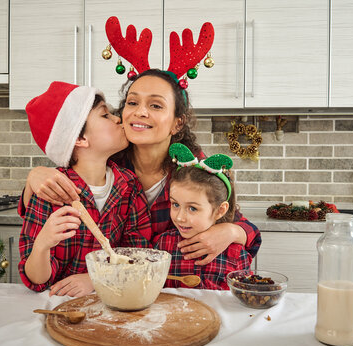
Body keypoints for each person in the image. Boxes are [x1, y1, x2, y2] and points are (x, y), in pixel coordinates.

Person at [19, 69, 261, 266]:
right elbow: (37, 218)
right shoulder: (111, 166)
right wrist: (34, 176)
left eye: (156, 106)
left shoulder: (192, 167)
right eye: (132, 102)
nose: (140, 112)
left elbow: (241, 225)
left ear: (177, 123)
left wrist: (230, 232)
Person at [18, 81, 152, 297]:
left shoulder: (129, 186)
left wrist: (95, 278)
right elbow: (36, 281)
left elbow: (139, 254)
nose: (118, 119)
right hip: (60, 306)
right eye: (105, 115)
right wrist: (42, 244)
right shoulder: (50, 192)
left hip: (113, 297)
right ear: (80, 139)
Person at [156, 143, 250, 290]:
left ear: (220, 210)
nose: (180, 217)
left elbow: (243, 298)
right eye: (175, 205)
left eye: (192, 208)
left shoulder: (236, 254)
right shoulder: (163, 245)